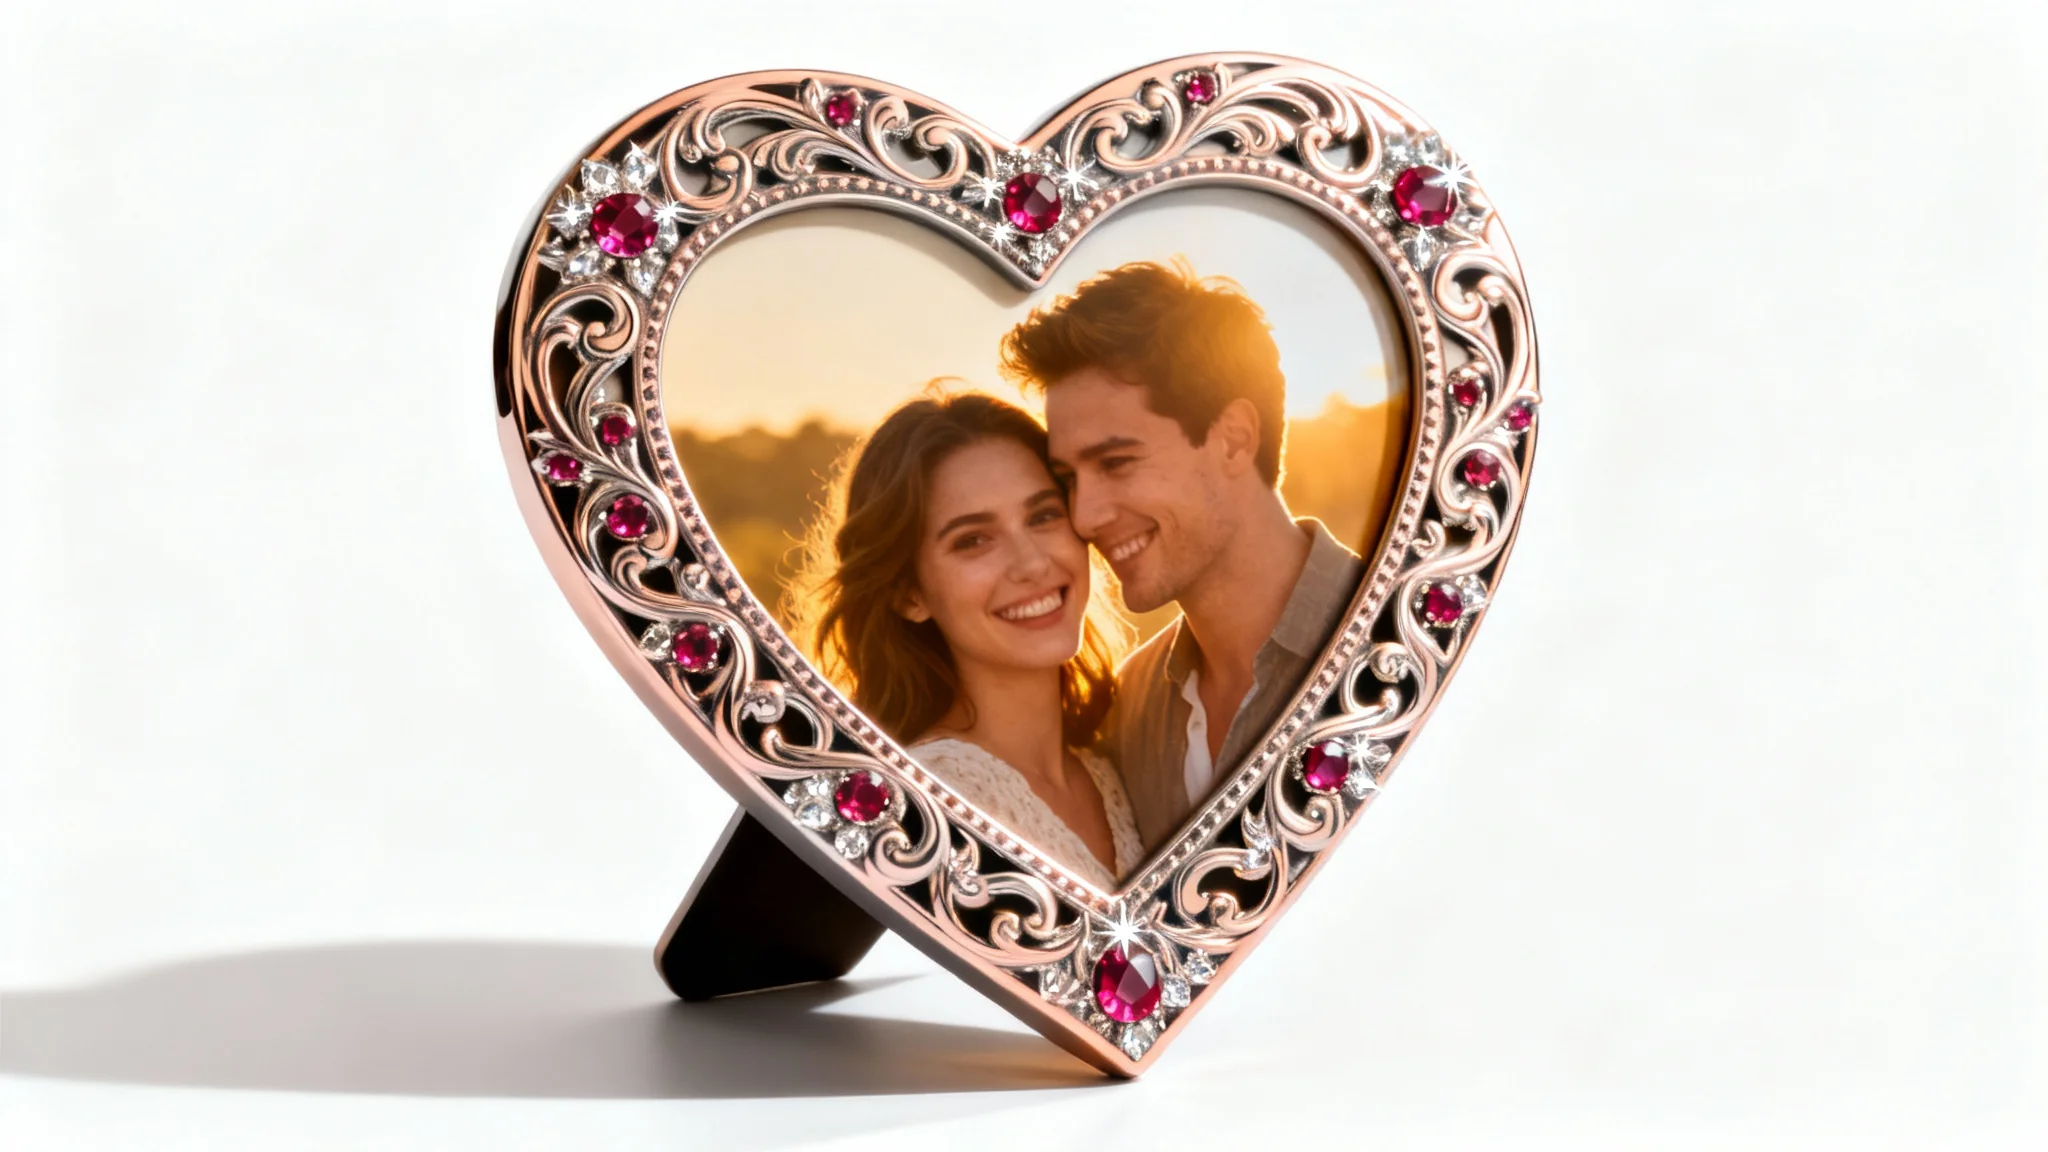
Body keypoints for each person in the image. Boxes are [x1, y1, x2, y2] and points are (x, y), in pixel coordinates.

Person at [999, 258, 1366, 852]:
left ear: (1233, 438)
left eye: (1116, 463)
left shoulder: (1391, 639)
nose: (1085, 516)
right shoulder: (1128, 710)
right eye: (1068, 477)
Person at [787, 388, 1142, 889]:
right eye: (973, 540)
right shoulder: (920, 805)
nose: (1033, 563)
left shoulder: (1118, 764)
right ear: (909, 593)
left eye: (1043, 516)